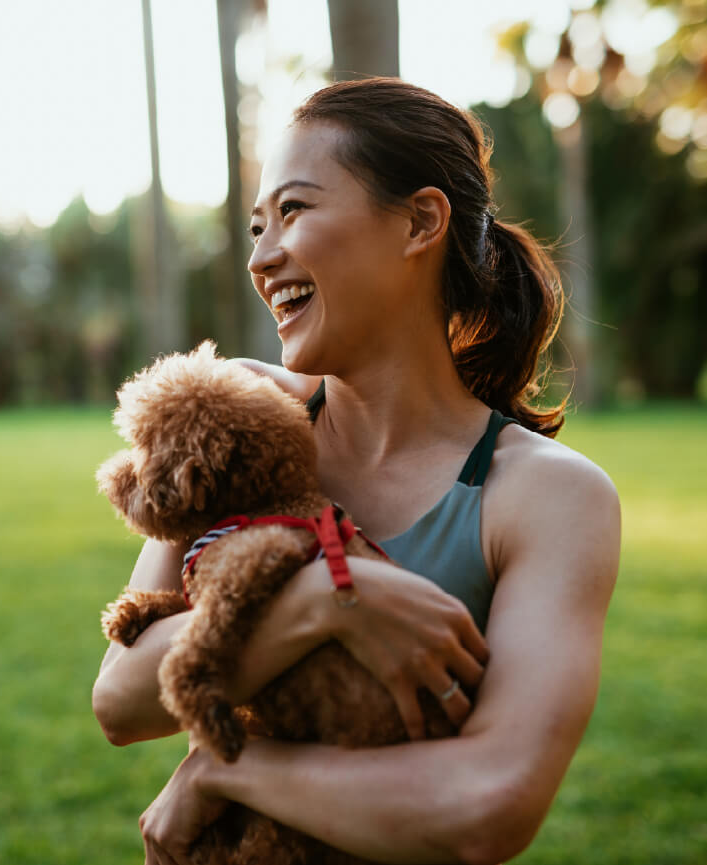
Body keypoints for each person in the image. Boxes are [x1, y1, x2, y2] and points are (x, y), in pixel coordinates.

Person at [92, 78, 620, 865]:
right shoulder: (240, 415)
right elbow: (122, 698)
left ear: (419, 221)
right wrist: (326, 597)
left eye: (294, 211)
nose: (260, 257)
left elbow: (489, 804)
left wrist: (227, 768)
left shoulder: (547, 495)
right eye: (255, 224)